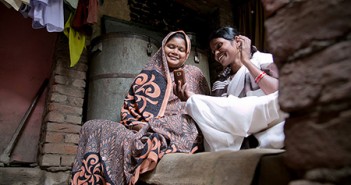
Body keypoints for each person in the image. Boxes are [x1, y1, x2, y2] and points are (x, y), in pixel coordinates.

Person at [70, 31, 210, 185]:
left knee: (175, 124)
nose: (175, 52)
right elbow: (128, 107)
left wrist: (181, 103)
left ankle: (154, 131)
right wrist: (140, 125)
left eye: (180, 49)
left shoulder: (195, 75)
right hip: (143, 127)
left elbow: (205, 108)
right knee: (93, 126)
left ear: (187, 54)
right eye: (171, 47)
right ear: (163, 48)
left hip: (177, 129)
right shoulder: (148, 73)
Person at [182, 26, 288, 152]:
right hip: (239, 124)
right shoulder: (220, 82)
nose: (216, 54)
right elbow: (222, 113)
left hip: (270, 114)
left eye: (219, 46)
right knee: (196, 104)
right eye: (213, 52)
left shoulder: (263, 59)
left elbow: (278, 92)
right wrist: (194, 98)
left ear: (238, 41)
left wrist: (247, 62)